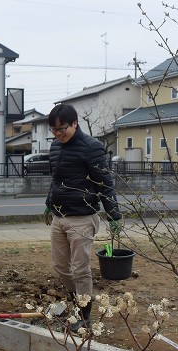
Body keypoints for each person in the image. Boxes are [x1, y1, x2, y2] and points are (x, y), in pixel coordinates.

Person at [43, 104, 122, 333]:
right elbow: (56, 180)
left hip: (82, 218)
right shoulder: (55, 147)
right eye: (54, 129)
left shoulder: (92, 148)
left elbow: (105, 183)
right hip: (60, 215)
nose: (58, 134)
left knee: (80, 269)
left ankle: (83, 314)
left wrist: (113, 215)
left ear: (75, 123)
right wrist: (49, 204)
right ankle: (78, 300)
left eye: (62, 128)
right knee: (60, 265)